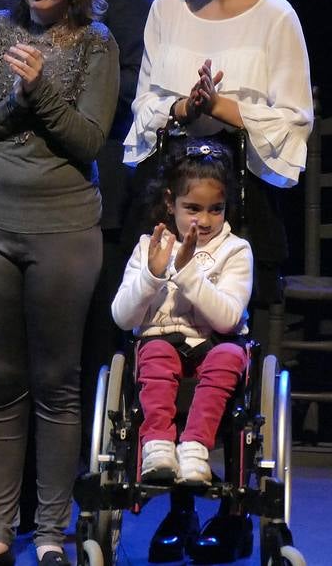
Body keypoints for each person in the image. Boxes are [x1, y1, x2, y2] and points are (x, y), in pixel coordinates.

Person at [122, 0, 312, 560]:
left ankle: (232, 511)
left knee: (230, 360)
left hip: (243, 205)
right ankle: (177, 507)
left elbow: (293, 122)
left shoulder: (275, 18)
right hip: (176, 196)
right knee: (169, 344)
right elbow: (143, 107)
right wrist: (181, 107)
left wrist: (224, 107)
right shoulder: (168, 8)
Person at [0, 0, 119, 566]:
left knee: (57, 382)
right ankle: (0, 528)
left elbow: (87, 140)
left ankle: (51, 531)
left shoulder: (96, 41)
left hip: (65, 229)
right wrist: (14, 106)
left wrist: (40, 90)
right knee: (4, 381)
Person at [112, 143, 252, 486]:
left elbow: (228, 318)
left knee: (230, 356)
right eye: (193, 208)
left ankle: (194, 448)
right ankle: (158, 445)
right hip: (162, 342)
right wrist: (152, 275)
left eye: (215, 210)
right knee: (156, 351)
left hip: (214, 342)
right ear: (170, 202)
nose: (204, 221)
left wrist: (187, 271)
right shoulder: (150, 247)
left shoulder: (235, 250)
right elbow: (122, 317)